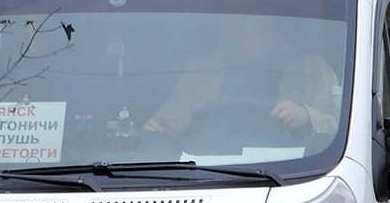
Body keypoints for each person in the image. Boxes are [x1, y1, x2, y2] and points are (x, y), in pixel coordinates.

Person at [143, 17, 340, 140]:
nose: (226, 32)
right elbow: (175, 116)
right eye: (225, 25)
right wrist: (158, 130)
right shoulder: (202, 68)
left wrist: (305, 116)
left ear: (267, 29)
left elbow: (341, 130)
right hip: (206, 169)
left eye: (238, 26)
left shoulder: (312, 70)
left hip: (289, 175)